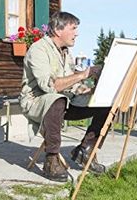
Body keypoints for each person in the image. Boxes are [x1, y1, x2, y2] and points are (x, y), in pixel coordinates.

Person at [20, 11, 110, 182]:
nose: (77, 33)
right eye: (73, 28)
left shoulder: (65, 52)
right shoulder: (38, 49)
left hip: (63, 101)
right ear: (57, 30)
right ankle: (51, 159)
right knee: (56, 99)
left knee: (104, 102)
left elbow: (71, 83)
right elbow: (49, 86)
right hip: (36, 102)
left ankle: (86, 151)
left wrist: (88, 91)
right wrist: (84, 74)